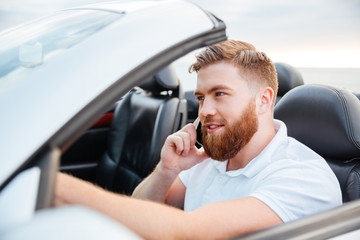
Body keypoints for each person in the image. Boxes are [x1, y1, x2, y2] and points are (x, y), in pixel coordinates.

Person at [55, 40, 342, 239]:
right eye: (202, 98)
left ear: (263, 101)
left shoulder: (304, 177)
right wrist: (167, 170)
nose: (204, 111)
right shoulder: (213, 157)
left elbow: (188, 232)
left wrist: (53, 185)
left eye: (220, 94)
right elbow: (146, 208)